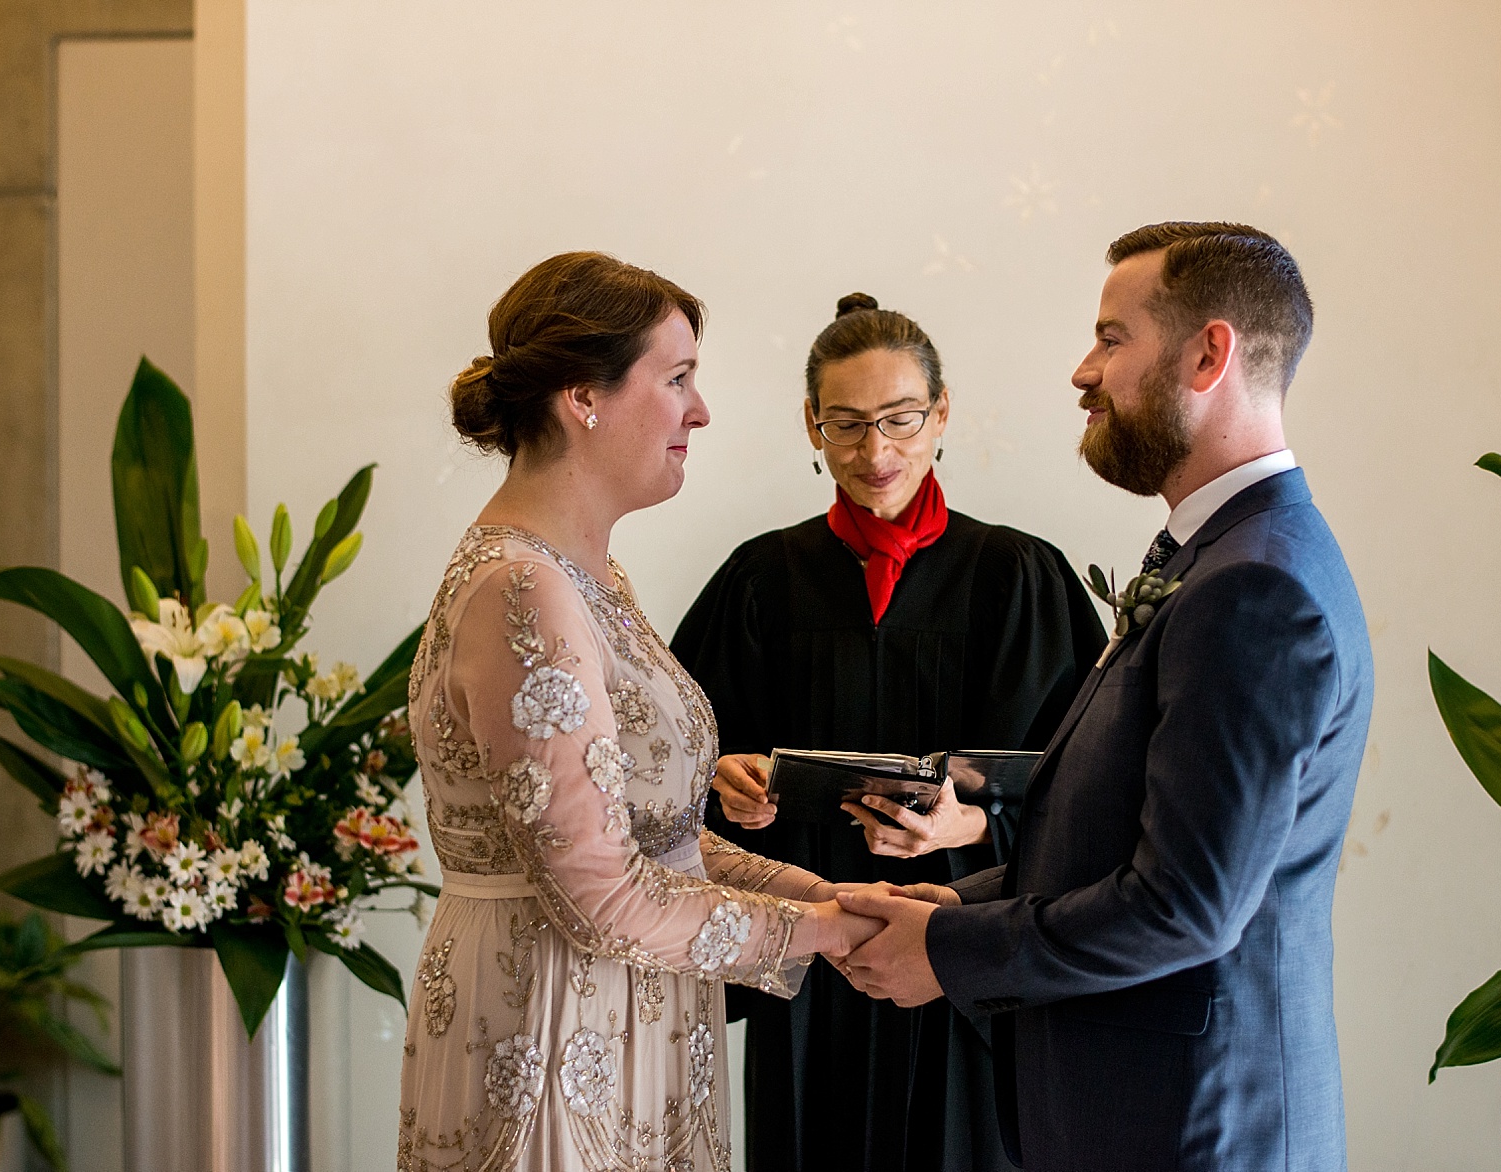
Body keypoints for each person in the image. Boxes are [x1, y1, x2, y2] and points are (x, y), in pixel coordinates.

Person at [839, 223, 1375, 1172]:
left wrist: (951, 953)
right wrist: (947, 912)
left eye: (1111, 337)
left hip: (1189, 1128)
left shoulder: (1254, 587)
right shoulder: (1219, 557)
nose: (1083, 371)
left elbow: (1183, 906)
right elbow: (1124, 837)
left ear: (1208, 353)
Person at [396, 252, 879, 1172]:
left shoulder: (588, 577)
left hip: (635, 1015)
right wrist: (820, 933)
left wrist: (827, 894)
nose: (699, 411)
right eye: (678, 378)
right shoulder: (522, 588)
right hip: (556, 1024)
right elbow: (598, 889)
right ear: (584, 395)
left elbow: (659, 840)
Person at [670, 294, 1106, 1172]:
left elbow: (1088, 787)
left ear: (941, 413)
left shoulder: (1020, 578)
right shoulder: (759, 582)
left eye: (901, 420)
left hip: (963, 951)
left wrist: (974, 825)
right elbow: (667, 767)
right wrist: (728, 787)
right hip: (809, 958)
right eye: (846, 424)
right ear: (811, 426)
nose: (876, 452)